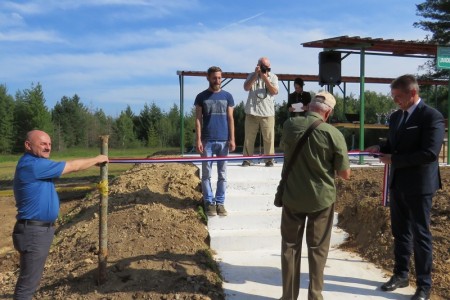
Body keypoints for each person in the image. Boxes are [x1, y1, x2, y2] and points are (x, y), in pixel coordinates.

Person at [366, 74, 444, 300]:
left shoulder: (431, 116)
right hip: (398, 183)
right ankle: (401, 274)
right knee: (400, 232)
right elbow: (393, 145)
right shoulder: (397, 117)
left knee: (420, 234)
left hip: (420, 186)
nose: (395, 101)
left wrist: (394, 160)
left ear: (412, 93)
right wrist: (380, 147)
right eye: (393, 97)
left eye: (398, 97)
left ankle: (424, 285)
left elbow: (429, 153)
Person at [12, 130, 108, 300]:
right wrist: (97, 159)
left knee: (30, 281)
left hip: (37, 230)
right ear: (28, 145)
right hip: (34, 232)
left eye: (49, 144)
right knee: (27, 285)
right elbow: (73, 166)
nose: (47, 147)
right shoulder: (34, 166)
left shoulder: (37, 164)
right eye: (43, 144)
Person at [279, 91, 351, 300]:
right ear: (328, 113)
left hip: (292, 197)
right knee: (318, 249)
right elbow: (345, 174)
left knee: (290, 247)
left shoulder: (289, 125)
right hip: (321, 199)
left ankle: (288, 296)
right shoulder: (334, 134)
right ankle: (315, 295)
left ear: (309, 107)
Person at [195, 66, 235, 217]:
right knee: (206, 174)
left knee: (223, 174)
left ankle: (220, 202)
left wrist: (232, 138)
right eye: (214, 78)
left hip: (224, 140)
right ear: (208, 78)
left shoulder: (228, 97)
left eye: (219, 78)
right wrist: (198, 139)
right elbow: (198, 119)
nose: (217, 80)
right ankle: (209, 202)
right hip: (207, 141)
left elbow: (230, 119)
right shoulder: (201, 97)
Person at [242, 56, 279, 167]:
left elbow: (274, 91)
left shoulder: (273, 77)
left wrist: (265, 78)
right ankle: (247, 159)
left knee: (269, 137)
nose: (266, 69)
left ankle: (269, 159)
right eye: (263, 67)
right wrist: (256, 75)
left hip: (267, 112)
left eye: (268, 68)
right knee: (249, 137)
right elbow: (246, 87)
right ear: (258, 65)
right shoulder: (251, 75)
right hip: (252, 111)